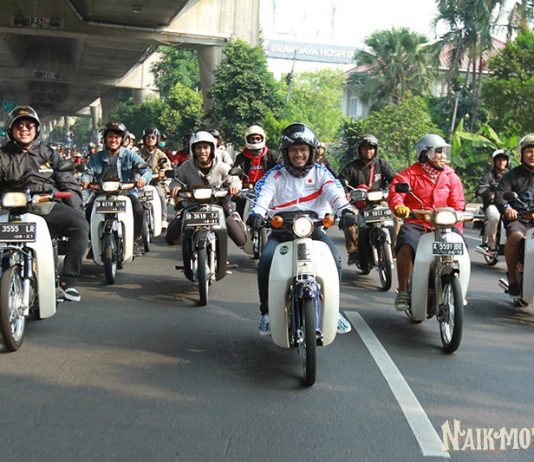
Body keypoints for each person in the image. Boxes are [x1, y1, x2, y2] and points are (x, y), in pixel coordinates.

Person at [247, 123, 357, 336]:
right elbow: (263, 197)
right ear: (286, 152)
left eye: (303, 149)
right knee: (266, 260)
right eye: (294, 150)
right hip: (281, 232)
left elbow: (335, 194)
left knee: (335, 259)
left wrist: (345, 210)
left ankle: (333, 310)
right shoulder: (275, 175)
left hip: (313, 230)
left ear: (312, 151)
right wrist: (257, 214)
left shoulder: (321, 173)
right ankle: (266, 313)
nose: (299, 154)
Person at [0, 106, 89, 302]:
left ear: (36, 129)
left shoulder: (48, 153)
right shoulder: (2, 155)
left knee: (81, 225)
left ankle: (67, 283)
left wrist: (76, 207)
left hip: (45, 205)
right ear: (11, 129)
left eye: (29, 125)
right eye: (19, 125)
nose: (24, 129)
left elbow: (67, 181)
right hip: (9, 207)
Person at [388, 134, 465, 311]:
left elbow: (458, 203)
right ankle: (403, 290)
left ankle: (460, 289)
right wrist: (399, 206)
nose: (442, 156)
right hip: (417, 222)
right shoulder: (408, 174)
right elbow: (395, 193)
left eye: (443, 152)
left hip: (445, 225)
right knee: (405, 244)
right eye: (438, 151)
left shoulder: (451, 176)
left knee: (462, 248)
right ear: (425, 154)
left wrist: (459, 219)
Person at [165, 130, 247, 249]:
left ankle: (234, 217)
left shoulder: (222, 167)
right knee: (170, 238)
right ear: (193, 150)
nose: (202, 151)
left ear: (212, 149)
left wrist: (234, 186)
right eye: (198, 148)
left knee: (241, 240)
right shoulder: (186, 166)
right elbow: (176, 180)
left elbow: (234, 180)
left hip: (219, 205)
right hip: (192, 205)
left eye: (205, 147)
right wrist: (175, 187)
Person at [81, 121, 152, 256]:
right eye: (110, 137)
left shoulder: (130, 155)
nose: (113, 140)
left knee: (138, 210)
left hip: (126, 192)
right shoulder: (96, 157)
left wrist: (142, 179)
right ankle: (94, 243)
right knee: (89, 209)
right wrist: (85, 180)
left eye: (117, 137)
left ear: (122, 139)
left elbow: (146, 170)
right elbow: (88, 173)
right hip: (102, 193)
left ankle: (133, 241)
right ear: (105, 139)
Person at [337, 134, 396, 266]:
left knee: (395, 216)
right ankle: (353, 251)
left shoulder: (381, 164)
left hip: (378, 201)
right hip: (357, 203)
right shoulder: (351, 167)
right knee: (349, 218)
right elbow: (340, 182)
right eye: (365, 148)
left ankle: (393, 247)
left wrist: (396, 187)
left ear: (375, 149)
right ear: (360, 150)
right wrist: (346, 193)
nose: (368, 151)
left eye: (371, 148)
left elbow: (394, 178)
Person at [495, 134, 534, 299]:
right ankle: (512, 278)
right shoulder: (511, 175)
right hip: (519, 219)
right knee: (515, 236)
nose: (533, 155)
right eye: (529, 151)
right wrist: (507, 208)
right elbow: (500, 196)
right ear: (522, 153)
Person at [232, 124, 280, 218]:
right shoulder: (241, 157)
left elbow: (281, 170)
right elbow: (235, 174)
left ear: (263, 139)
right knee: (238, 216)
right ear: (247, 139)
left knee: (276, 218)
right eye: (252, 138)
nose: (255, 141)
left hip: (267, 189)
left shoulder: (272, 155)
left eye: (258, 138)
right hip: (247, 192)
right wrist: (235, 184)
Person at [476, 149, 510, 252]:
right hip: (493, 205)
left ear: (507, 161)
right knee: (494, 216)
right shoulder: (489, 175)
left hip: (508, 205)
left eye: (504, 160)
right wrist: (490, 194)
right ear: (494, 161)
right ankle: (491, 242)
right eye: (499, 160)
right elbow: (481, 188)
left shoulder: (511, 175)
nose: (501, 162)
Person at [139, 127, 173, 229]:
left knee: (161, 195)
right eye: (148, 137)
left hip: (156, 181)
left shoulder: (160, 154)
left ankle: (163, 219)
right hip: (140, 182)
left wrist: (163, 172)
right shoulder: (137, 153)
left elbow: (167, 166)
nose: (150, 139)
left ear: (157, 139)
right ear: (144, 139)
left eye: (153, 137)